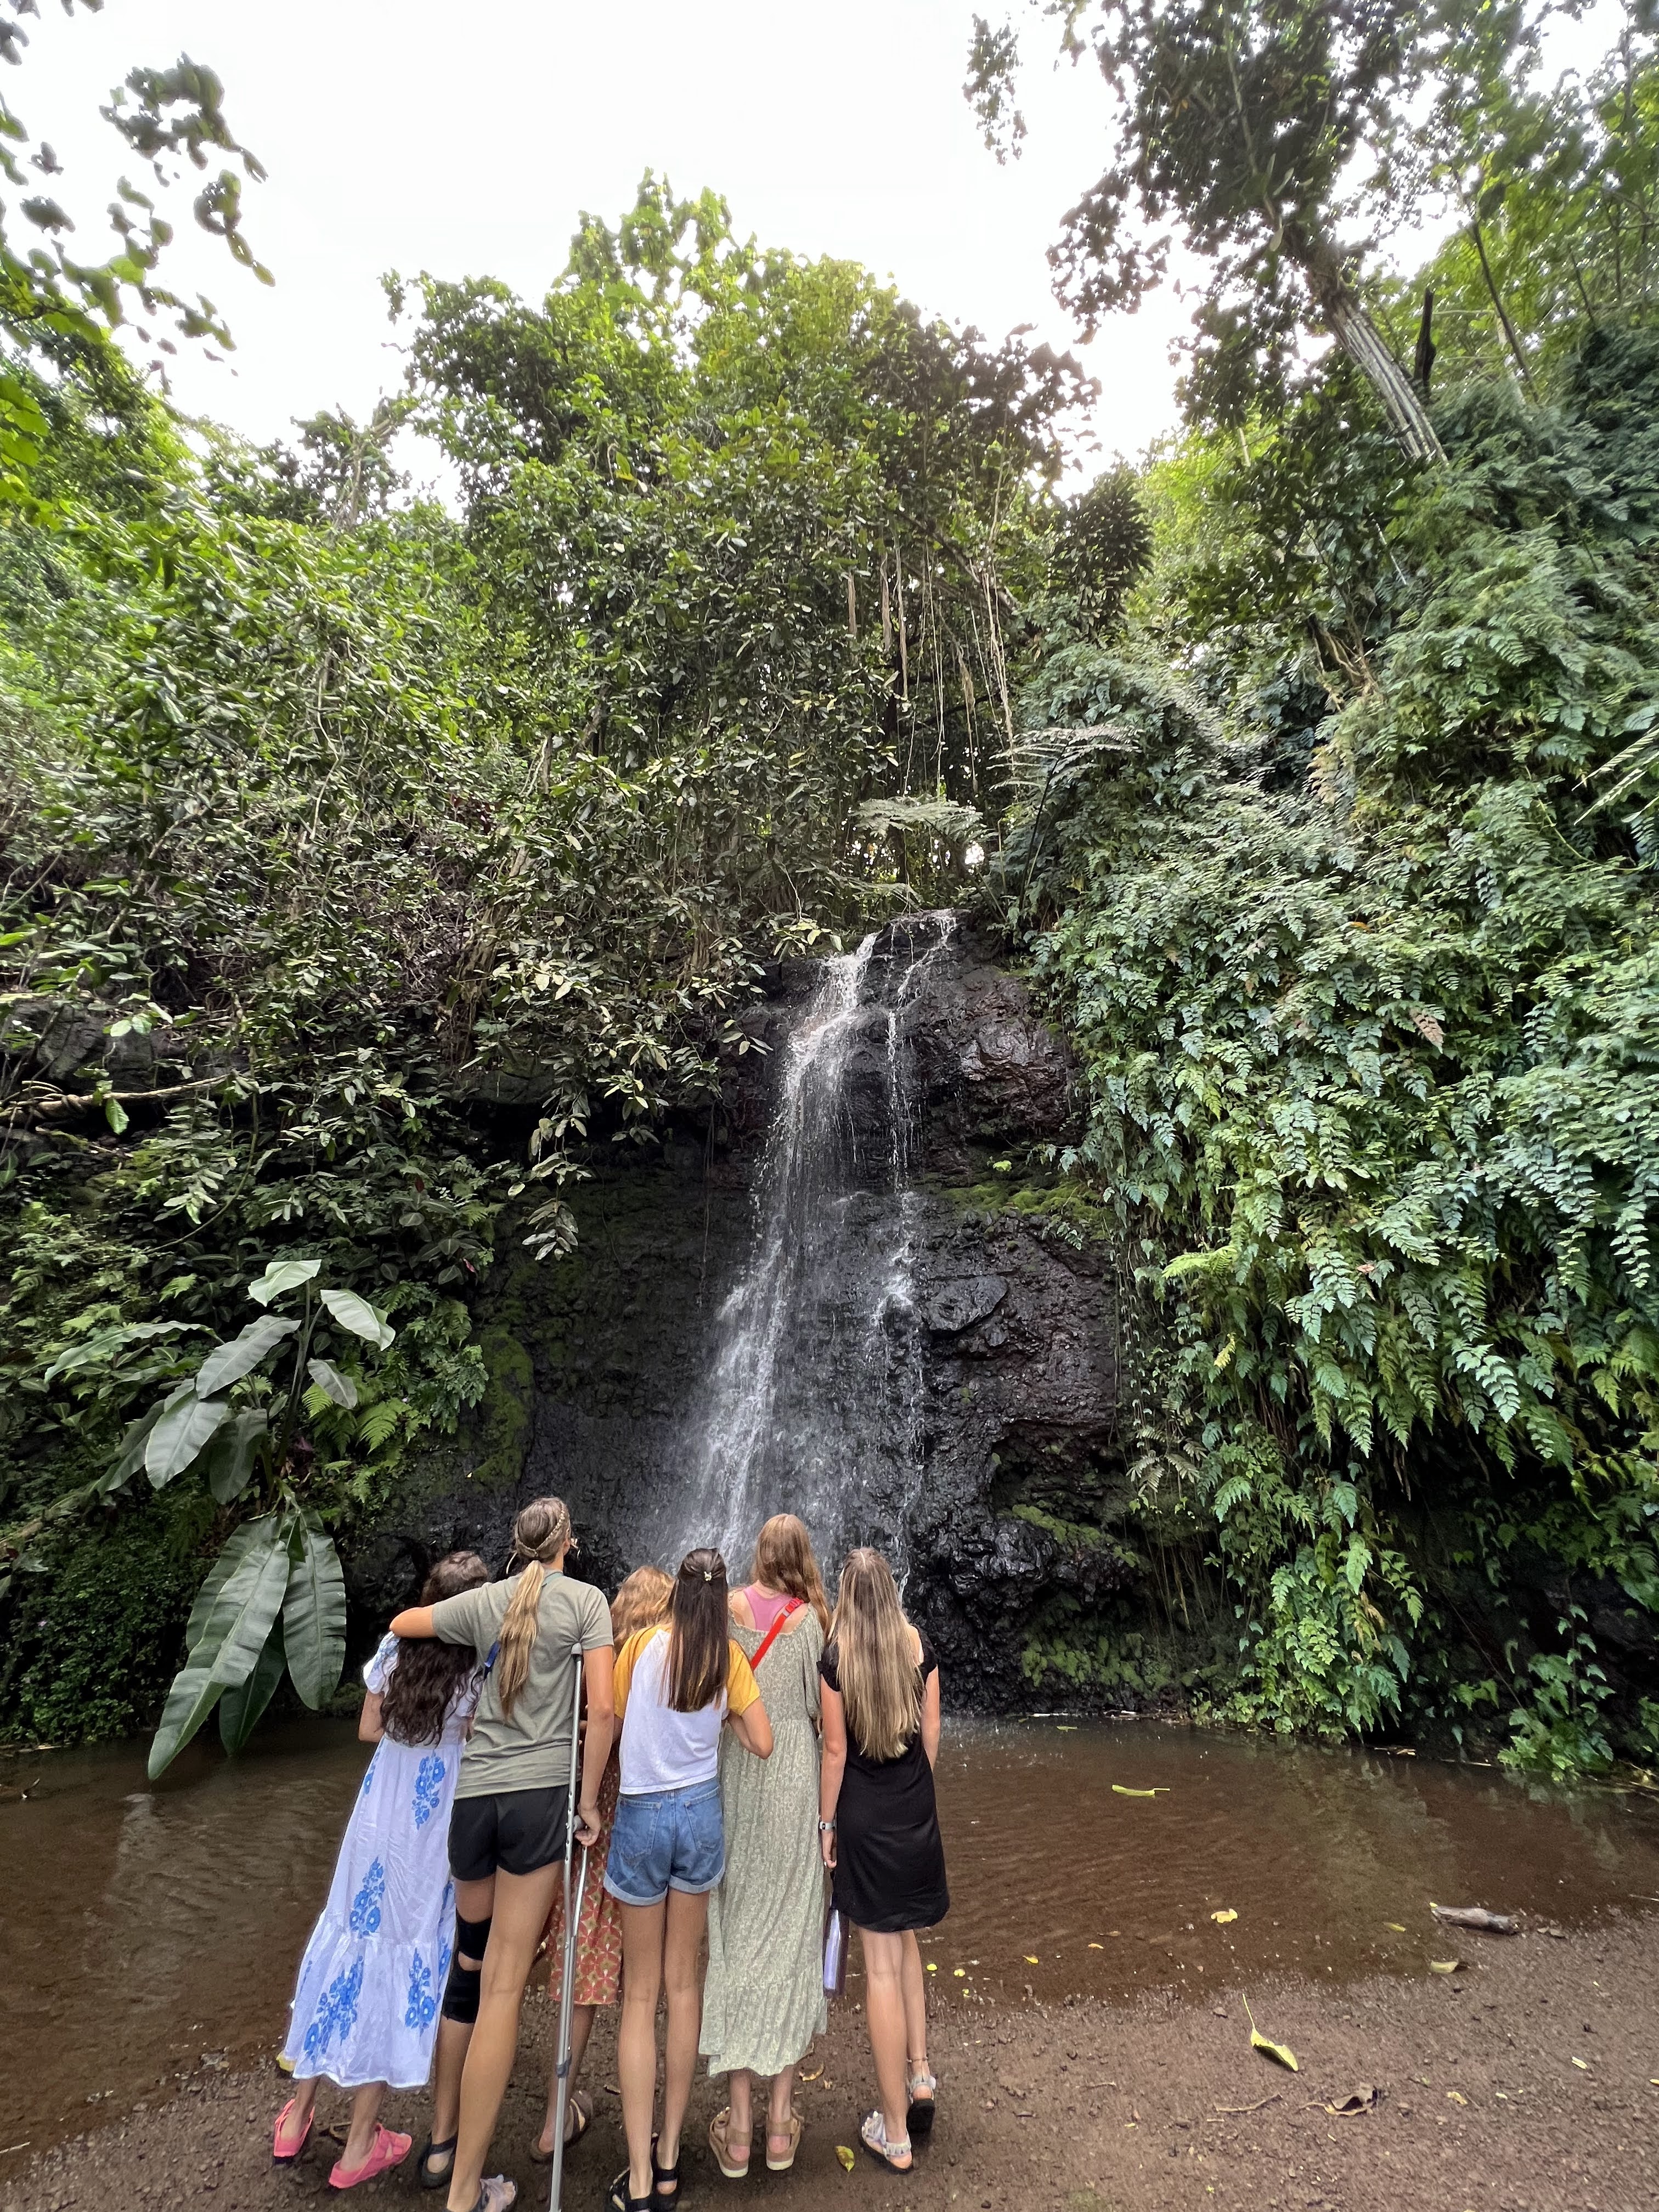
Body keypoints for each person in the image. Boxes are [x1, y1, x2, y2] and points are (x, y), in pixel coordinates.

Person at [390, 1497, 614, 2212]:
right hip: (536, 1803)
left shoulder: (485, 1602)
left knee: (473, 1963)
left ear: (518, 1546)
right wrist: (587, 1802)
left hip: (474, 1805)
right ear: (566, 1544)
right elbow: (604, 1710)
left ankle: (446, 2135)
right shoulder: (584, 1603)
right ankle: (464, 2191)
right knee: (505, 1990)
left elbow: (403, 1624)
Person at [273, 1551, 490, 2188]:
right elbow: (479, 1734)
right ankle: (361, 2142)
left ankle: (296, 2120)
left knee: (351, 1937)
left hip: (379, 1809)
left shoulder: (396, 1649)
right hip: (431, 1823)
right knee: (404, 1948)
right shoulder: (478, 1667)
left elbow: (369, 1727)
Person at [605, 1548, 774, 2212]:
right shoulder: (726, 1658)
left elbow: (611, 1731)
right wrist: (726, 1715)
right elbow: (763, 1743)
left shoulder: (642, 1644)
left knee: (640, 1996)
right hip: (700, 1815)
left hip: (643, 1816)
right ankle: (672, 2157)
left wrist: (590, 1804)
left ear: (677, 1592)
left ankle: (640, 2179)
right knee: (684, 1984)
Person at [702, 1514, 830, 2180]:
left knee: (736, 1930)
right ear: (803, 1557)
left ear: (759, 1553)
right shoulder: (810, 1624)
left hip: (735, 1774)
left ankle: (741, 2126)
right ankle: (781, 2126)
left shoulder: (723, 1611)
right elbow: (819, 1708)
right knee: (789, 1933)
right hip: (790, 1781)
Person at [533, 1564, 674, 2165]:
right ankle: (656, 2133)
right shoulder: (667, 1668)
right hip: (643, 1833)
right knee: (653, 1984)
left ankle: (553, 2117)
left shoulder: (601, 1665)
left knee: (586, 1977)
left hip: (597, 1835)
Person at [817, 1547, 947, 2177]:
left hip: (864, 1816)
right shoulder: (916, 1643)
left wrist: (827, 1826)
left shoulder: (837, 1656)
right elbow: (930, 1735)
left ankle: (895, 2133)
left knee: (882, 1968)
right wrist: (918, 1798)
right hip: (912, 1808)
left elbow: (836, 1751)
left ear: (846, 1593)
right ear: (891, 1589)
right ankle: (920, 2074)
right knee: (908, 1938)